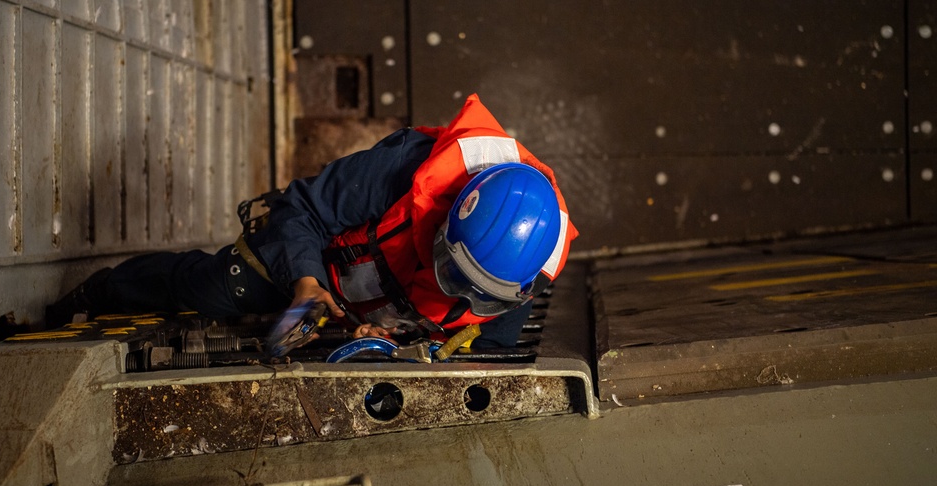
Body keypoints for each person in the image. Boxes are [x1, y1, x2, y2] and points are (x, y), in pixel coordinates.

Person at [46, 94, 578, 349]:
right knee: (210, 288)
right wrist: (306, 281)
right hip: (314, 267)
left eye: (475, 290)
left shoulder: (525, 271)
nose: (455, 290)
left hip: (376, 323)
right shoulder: (406, 171)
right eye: (454, 270)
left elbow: (482, 350)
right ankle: (102, 292)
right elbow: (301, 207)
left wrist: (403, 344)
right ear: (447, 222)